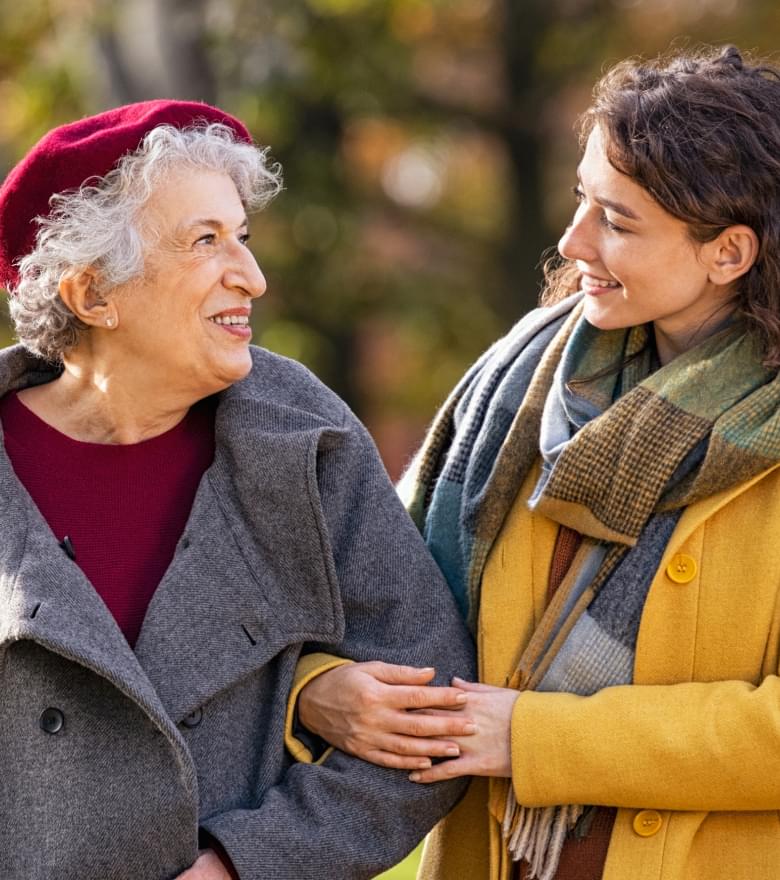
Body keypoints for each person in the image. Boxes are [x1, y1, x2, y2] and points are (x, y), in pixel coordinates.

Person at [295, 45, 780, 880]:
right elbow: (374, 596)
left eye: (617, 222)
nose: (572, 240)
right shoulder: (517, 394)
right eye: (582, 200)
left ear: (729, 253)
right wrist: (319, 685)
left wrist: (534, 739)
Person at [0, 100, 475, 880]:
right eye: (206, 242)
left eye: (242, 237)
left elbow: (431, 712)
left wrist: (243, 865)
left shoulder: (303, 438)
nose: (251, 277)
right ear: (93, 296)